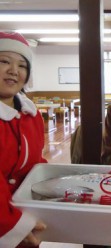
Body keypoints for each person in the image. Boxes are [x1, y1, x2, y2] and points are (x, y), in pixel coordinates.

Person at [0, 32, 47, 247]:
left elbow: (36, 162)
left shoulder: (31, 115)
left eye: (22, 65)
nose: (13, 71)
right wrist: (13, 225)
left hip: (23, 212)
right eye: (4, 61)